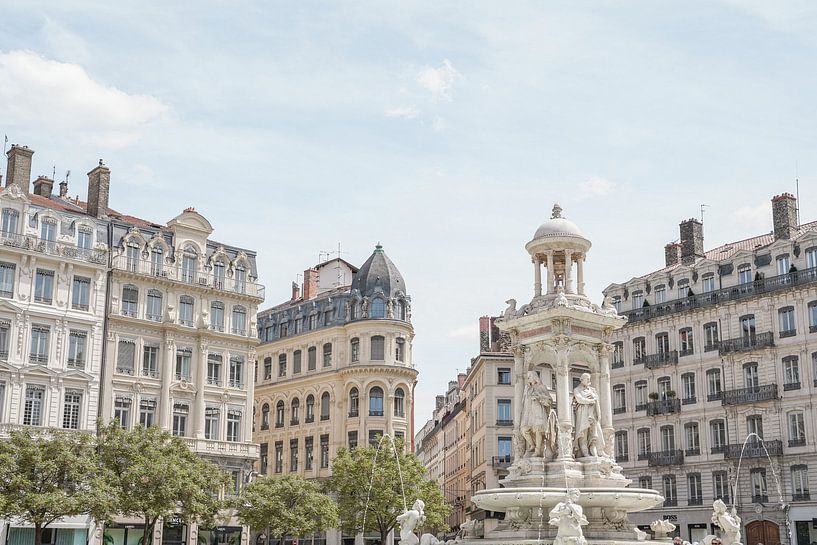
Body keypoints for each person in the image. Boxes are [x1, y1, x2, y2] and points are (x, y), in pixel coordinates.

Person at [572, 373, 604, 457]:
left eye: (589, 379)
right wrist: (590, 400)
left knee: (594, 433)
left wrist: (598, 413)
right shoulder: (577, 389)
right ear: (582, 380)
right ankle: (584, 451)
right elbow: (579, 399)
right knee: (583, 432)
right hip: (583, 413)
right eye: (587, 379)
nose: (589, 380)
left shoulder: (592, 390)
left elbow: (597, 401)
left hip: (592, 413)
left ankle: (595, 450)